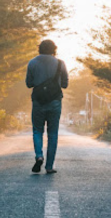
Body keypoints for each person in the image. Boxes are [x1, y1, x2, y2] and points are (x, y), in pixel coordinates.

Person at [25, 39, 69, 174]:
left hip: (38, 101)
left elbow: (29, 84)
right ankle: (49, 166)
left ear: (40, 49)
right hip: (55, 102)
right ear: (54, 49)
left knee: (37, 131)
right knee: (53, 133)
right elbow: (65, 85)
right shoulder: (60, 63)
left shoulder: (32, 62)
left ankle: (39, 155)